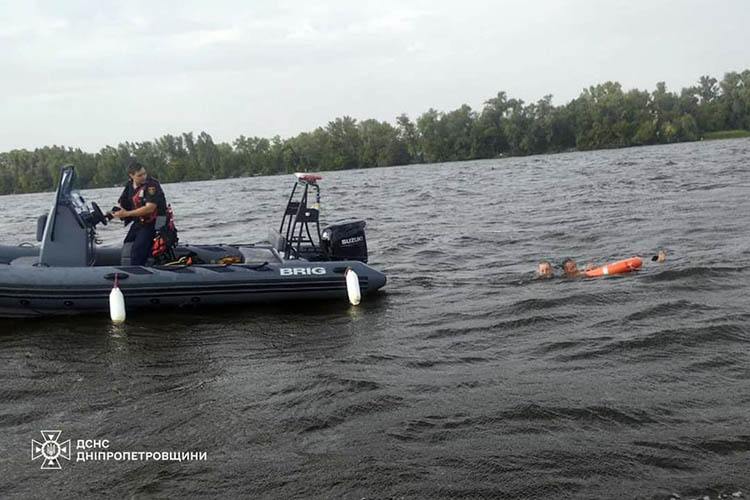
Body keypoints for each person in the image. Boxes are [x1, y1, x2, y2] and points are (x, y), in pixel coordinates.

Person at [108, 161, 169, 266]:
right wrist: (111, 214)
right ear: (131, 176)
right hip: (139, 222)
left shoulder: (151, 185)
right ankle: (129, 267)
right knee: (128, 243)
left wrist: (126, 214)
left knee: (138, 250)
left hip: (154, 222)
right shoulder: (129, 185)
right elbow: (123, 203)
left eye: (144, 173)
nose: (143, 177)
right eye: (140, 175)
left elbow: (150, 208)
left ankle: (139, 271)